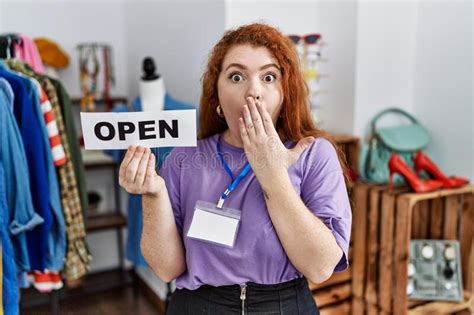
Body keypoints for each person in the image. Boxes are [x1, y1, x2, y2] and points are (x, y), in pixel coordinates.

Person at [119, 23, 352, 314]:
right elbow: (167, 269)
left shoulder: (313, 153)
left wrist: (274, 177)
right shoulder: (183, 158)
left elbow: (319, 268)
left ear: (285, 93)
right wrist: (153, 193)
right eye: (237, 76)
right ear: (216, 95)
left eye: (269, 77)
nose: (253, 91)